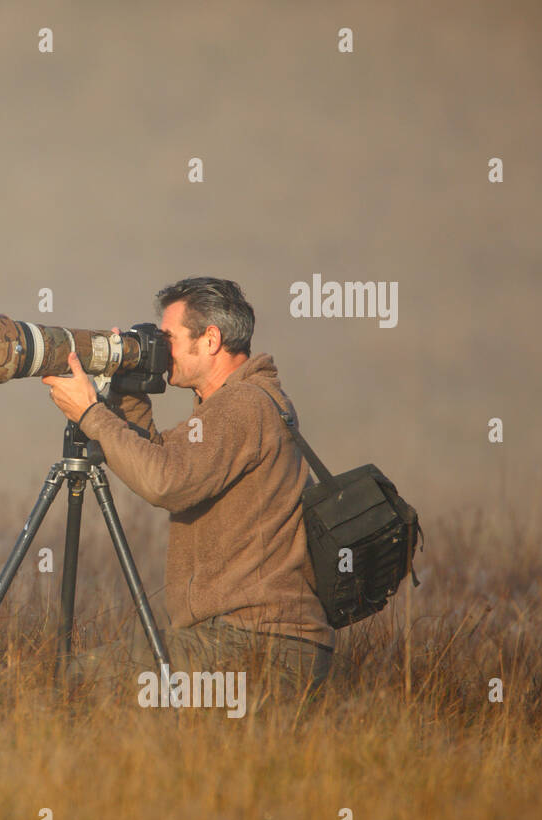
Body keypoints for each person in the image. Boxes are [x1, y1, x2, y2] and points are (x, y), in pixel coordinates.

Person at [43, 277, 333, 703]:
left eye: (170, 337)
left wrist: (90, 413)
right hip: (255, 641)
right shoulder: (236, 405)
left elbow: (165, 483)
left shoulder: (243, 406)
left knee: (75, 685)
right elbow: (160, 459)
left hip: (256, 644)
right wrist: (128, 386)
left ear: (210, 340)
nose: (163, 348)